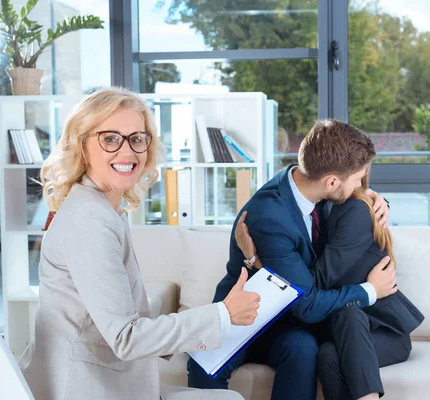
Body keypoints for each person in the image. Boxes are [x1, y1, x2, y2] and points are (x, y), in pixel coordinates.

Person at [18, 87, 258, 400]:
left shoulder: (100, 208)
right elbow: (126, 337)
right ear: (81, 146)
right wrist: (222, 314)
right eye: (110, 138)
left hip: (104, 381)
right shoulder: (90, 221)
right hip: (87, 389)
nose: (127, 151)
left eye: (137, 138)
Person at [188, 119, 398, 400]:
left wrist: (374, 198)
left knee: (303, 348)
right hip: (244, 317)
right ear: (332, 182)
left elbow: (350, 199)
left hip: (288, 322)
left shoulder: (312, 186)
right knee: (205, 365)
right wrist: (371, 290)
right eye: (358, 178)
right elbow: (308, 304)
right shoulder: (270, 217)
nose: (361, 183)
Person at [235, 167, 425, 399]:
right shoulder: (326, 202)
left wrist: (260, 263)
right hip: (342, 330)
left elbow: (315, 284)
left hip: (382, 331)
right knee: (328, 354)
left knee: (349, 315)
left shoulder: (354, 210)